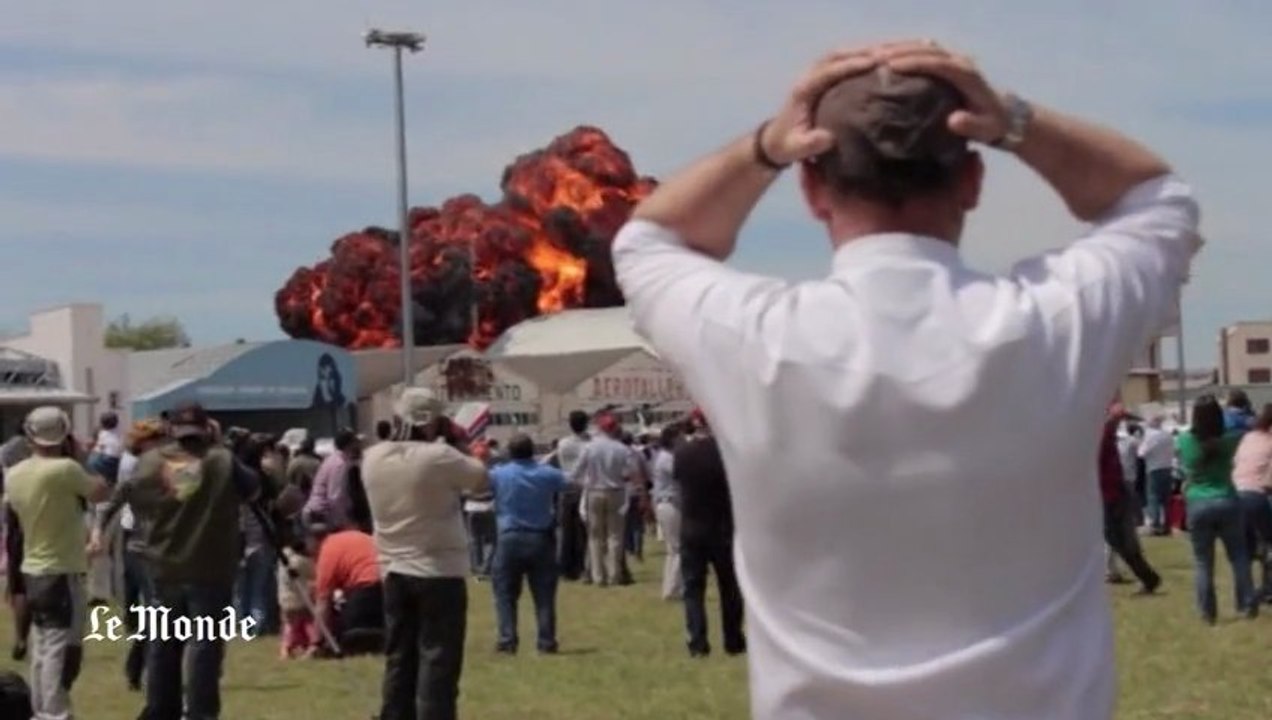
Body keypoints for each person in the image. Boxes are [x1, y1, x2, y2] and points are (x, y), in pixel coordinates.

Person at [611, 40, 1200, 718]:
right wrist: (1014, 120)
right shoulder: (1054, 319)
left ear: (811, 189)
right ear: (972, 182)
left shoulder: (751, 335)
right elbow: (1155, 199)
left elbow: (648, 239)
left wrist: (768, 146)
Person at [126, 401, 261, 720]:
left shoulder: (148, 462)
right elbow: (254, 491)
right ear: (205, 429)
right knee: (204, 646)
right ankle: (200, 712)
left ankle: (160, 710)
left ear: (171, 429)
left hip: (162, 567)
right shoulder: (221, 459)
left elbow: (136, 503)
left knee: (162, 645)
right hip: (209, 570)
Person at [362, 388, 489, 720]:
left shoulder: (372, 457)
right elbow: (479, 478)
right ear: (431, 422)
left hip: (393, 567)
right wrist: (462, 446)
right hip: (438, 569)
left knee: (399, 657)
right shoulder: (439, 457)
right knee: (438, 659)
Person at [4, 407, 110, 720]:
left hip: (33, 566)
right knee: (59, 647)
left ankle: (41, 707)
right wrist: (81, 456)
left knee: (42, 643)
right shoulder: (65, 469)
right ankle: (53, 711)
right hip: (61, 568)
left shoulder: (15, 473)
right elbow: (100, 491)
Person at [90, 418, 167, 691]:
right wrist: (98, 532)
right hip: (145, 547)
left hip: (148, 545)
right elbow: (112, 504)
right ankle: (143, 670)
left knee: (159, 612)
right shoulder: (141, 470)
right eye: (158, 439)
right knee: (159, 612)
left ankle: (140, 669)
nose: (163, 444)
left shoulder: (151, 466)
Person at [1178, 395, 1258, 622]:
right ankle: (1246, 605)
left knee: (1203, 562)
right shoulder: (1230, 440)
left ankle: (1207, 612)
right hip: (1226, 497)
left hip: (1198, 501)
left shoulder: (1185, 440)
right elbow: (1249, 424)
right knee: (1239, 557)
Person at [487, 434, 569, 654]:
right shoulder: (548, 474)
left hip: (509, 536)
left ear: (509, 453)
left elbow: (481, 489)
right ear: (532, 451)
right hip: (540, 537)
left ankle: (507, 640)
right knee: (544, 595)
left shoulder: (498, 474)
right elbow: (570, 483)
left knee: (504, 593)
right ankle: (546, 641)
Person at [674, 412, 745, 657]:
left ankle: (697, 642)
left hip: (692, 527)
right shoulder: (727, 452)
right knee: (729, 587)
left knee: (693, 590)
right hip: (723, 527)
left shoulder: (682, 452)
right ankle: (733, 639)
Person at [570, 414, 641, 587]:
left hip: (594, 491)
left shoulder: (590, 447)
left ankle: (598, 576)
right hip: (616, 491)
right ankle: (614, 575)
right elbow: (632, 472)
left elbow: (575, 472)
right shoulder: (622, 449)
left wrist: (584, 483)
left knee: (595, 537)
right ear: (615, 428)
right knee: (615, 536)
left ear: (600, 428)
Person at [1100, 404, 1161, 593]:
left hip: (1111, 495)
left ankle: (1148, 578)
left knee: (1119, 540)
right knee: (1120, 540)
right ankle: (1147, 577)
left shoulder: (1100, 436)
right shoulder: (1102, 436)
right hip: (1111, 493)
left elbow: (1112, 420)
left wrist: (1118, 415)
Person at [308, 521, 383, 655]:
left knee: (352, 635)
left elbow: (323, 602)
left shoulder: (327, 551)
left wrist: (316, 641)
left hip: (366, 587)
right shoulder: (354, 537)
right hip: (388, 581)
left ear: (314, 542)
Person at [1229, 403, 1272, 605]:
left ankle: (1243, 597)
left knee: (1243, 550)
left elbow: (1236, 463)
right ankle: (1268, 589)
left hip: (1235, 493)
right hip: (1257, 495)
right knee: (1268, 544)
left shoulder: (1247, 437)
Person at [1, 431, 33, 663]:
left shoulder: (8, 451)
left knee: (19, 587)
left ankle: (21, 637)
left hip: (14, 512)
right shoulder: (40, 455)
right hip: (39, 512)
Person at [551, 411, 591, 581]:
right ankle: (581, 566)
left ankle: (564, 568)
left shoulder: (563, 443)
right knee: (583, 532)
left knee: (566, 531)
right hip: (584, 487)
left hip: (566, 487)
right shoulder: (589, 444)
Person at [651, 424, 684, 600]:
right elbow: (681, 474)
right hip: (670, 504)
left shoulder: (666, 456)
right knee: (678, 548)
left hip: (667, 504)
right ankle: (673, 590)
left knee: (672, 549)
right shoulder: (667, 459)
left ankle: (671, 587)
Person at [277, 537, 317, 659]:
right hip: (300, 599)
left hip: (284, 598)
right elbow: (314, 575)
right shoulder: (303, 562)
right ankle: (312, 644)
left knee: (289, 625)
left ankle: (287, 648)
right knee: (308, 622)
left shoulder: (284, 559)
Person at [1139, 416, 1177, 535]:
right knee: (1166, 499)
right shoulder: (1167, 435)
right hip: (1168, 468)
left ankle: (1155, 525)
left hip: (1154, 468)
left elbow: (1141, 453)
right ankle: (1167, 524)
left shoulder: (1150, 436)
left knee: (1153, 497)